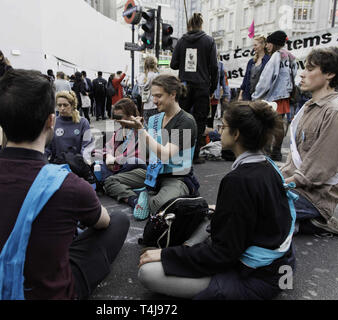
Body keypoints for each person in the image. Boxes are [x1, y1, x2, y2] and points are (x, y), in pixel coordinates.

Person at [0, 69, 129, 300]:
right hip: (48, 292)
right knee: (118, 219)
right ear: (51, 120)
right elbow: (103, 222)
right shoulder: (68, 184)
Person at [138, 100, 296, 300]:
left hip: (257, 275)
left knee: (147, 273)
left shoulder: (238, 180)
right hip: (280, 265)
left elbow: (223, 254)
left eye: (224, 127)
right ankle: (188, 250)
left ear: (236, 134)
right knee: (209, 214)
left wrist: (166, 255)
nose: (220, 131)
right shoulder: (269, 166)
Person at [282, 47, 338, 236]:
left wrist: (274, 185)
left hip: (312, 198)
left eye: (309, 69)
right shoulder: (310, 107)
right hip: (296, 188)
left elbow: (317, 173)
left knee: (248, 209)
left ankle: (313, 221)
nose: (302, 74)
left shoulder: (336, 113)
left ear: (330, 74)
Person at [104, 75, 199, 221]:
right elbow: (146, 153)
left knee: (160, 205)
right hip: (153, 173)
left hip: (176, 176)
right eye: (153, 96)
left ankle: (148, 195)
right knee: (110, 181)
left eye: (158, 96)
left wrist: (142, 130)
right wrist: (135, 131)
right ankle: (136, 200)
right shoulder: (155, 119)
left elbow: (166, 155)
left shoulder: (186, 121)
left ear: (173, 94)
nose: (154, 100)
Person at [170, 13, 219, 165]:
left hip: (184, 85)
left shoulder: (182, 41)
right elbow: (214, 67)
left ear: (189, 25)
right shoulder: (209, 41)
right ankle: (194, 154)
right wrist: (212, 88)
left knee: (181, 118)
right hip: (203, 86)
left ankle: (179, 152)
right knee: (199, 121)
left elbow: (173, 64)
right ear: (201, 25)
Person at [252, 30, 297, 161]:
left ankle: (266, 150)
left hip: (273, 96)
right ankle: (276, 151)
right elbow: (294, 74)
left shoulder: (277, 56)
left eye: (268, 43)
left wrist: (257, 95)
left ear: (274, 43)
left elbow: (266, 78)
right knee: (279, 124)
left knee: (268, 123)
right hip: (285, 95)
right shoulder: (290, 56)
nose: (267, 46)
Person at [100, 98, 146, 183]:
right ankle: (108, 180)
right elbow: (108, 146)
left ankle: (107, 181)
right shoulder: (121, 130)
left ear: (130, 115)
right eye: (116, 117)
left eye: (120, 117)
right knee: (96, 160)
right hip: (117, 166)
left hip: (133, 167)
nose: (118, 120)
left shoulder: (142, 130)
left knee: (132, 161)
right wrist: (108, 156)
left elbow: (137, 154)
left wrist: (115, 160)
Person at [46, 90, 93, 161]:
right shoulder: (53, 122)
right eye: (59, 105)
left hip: (77, 165)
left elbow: (87, 146)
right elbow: (47, 148)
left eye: (65, 105)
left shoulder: (83, 122)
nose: (62, 108)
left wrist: (83, 162)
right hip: (57, 165)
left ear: (72, 105)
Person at [239, 35, 271, 101]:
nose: (254, 47)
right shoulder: (251, 62)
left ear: (263, 45)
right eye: (253, 45)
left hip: (262, 97)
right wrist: (240, 94)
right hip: (248, 96)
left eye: (256, 45)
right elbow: (246, 79)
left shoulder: (269, 60)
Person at [207, 57, 230, 131]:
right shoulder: (202, 60)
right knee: (201, 119)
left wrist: (226, 94)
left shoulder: (220, 65)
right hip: (202, 95)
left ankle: (208, 139)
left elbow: (224, 81)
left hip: (214, 97)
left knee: (210, 120)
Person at [137, 56, 159, 125]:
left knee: (148, 129)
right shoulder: (156, 76)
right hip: (156, 106)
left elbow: (140, 93)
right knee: (156, 129)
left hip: (145, 107)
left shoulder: (141, 77)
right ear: (155, 64)